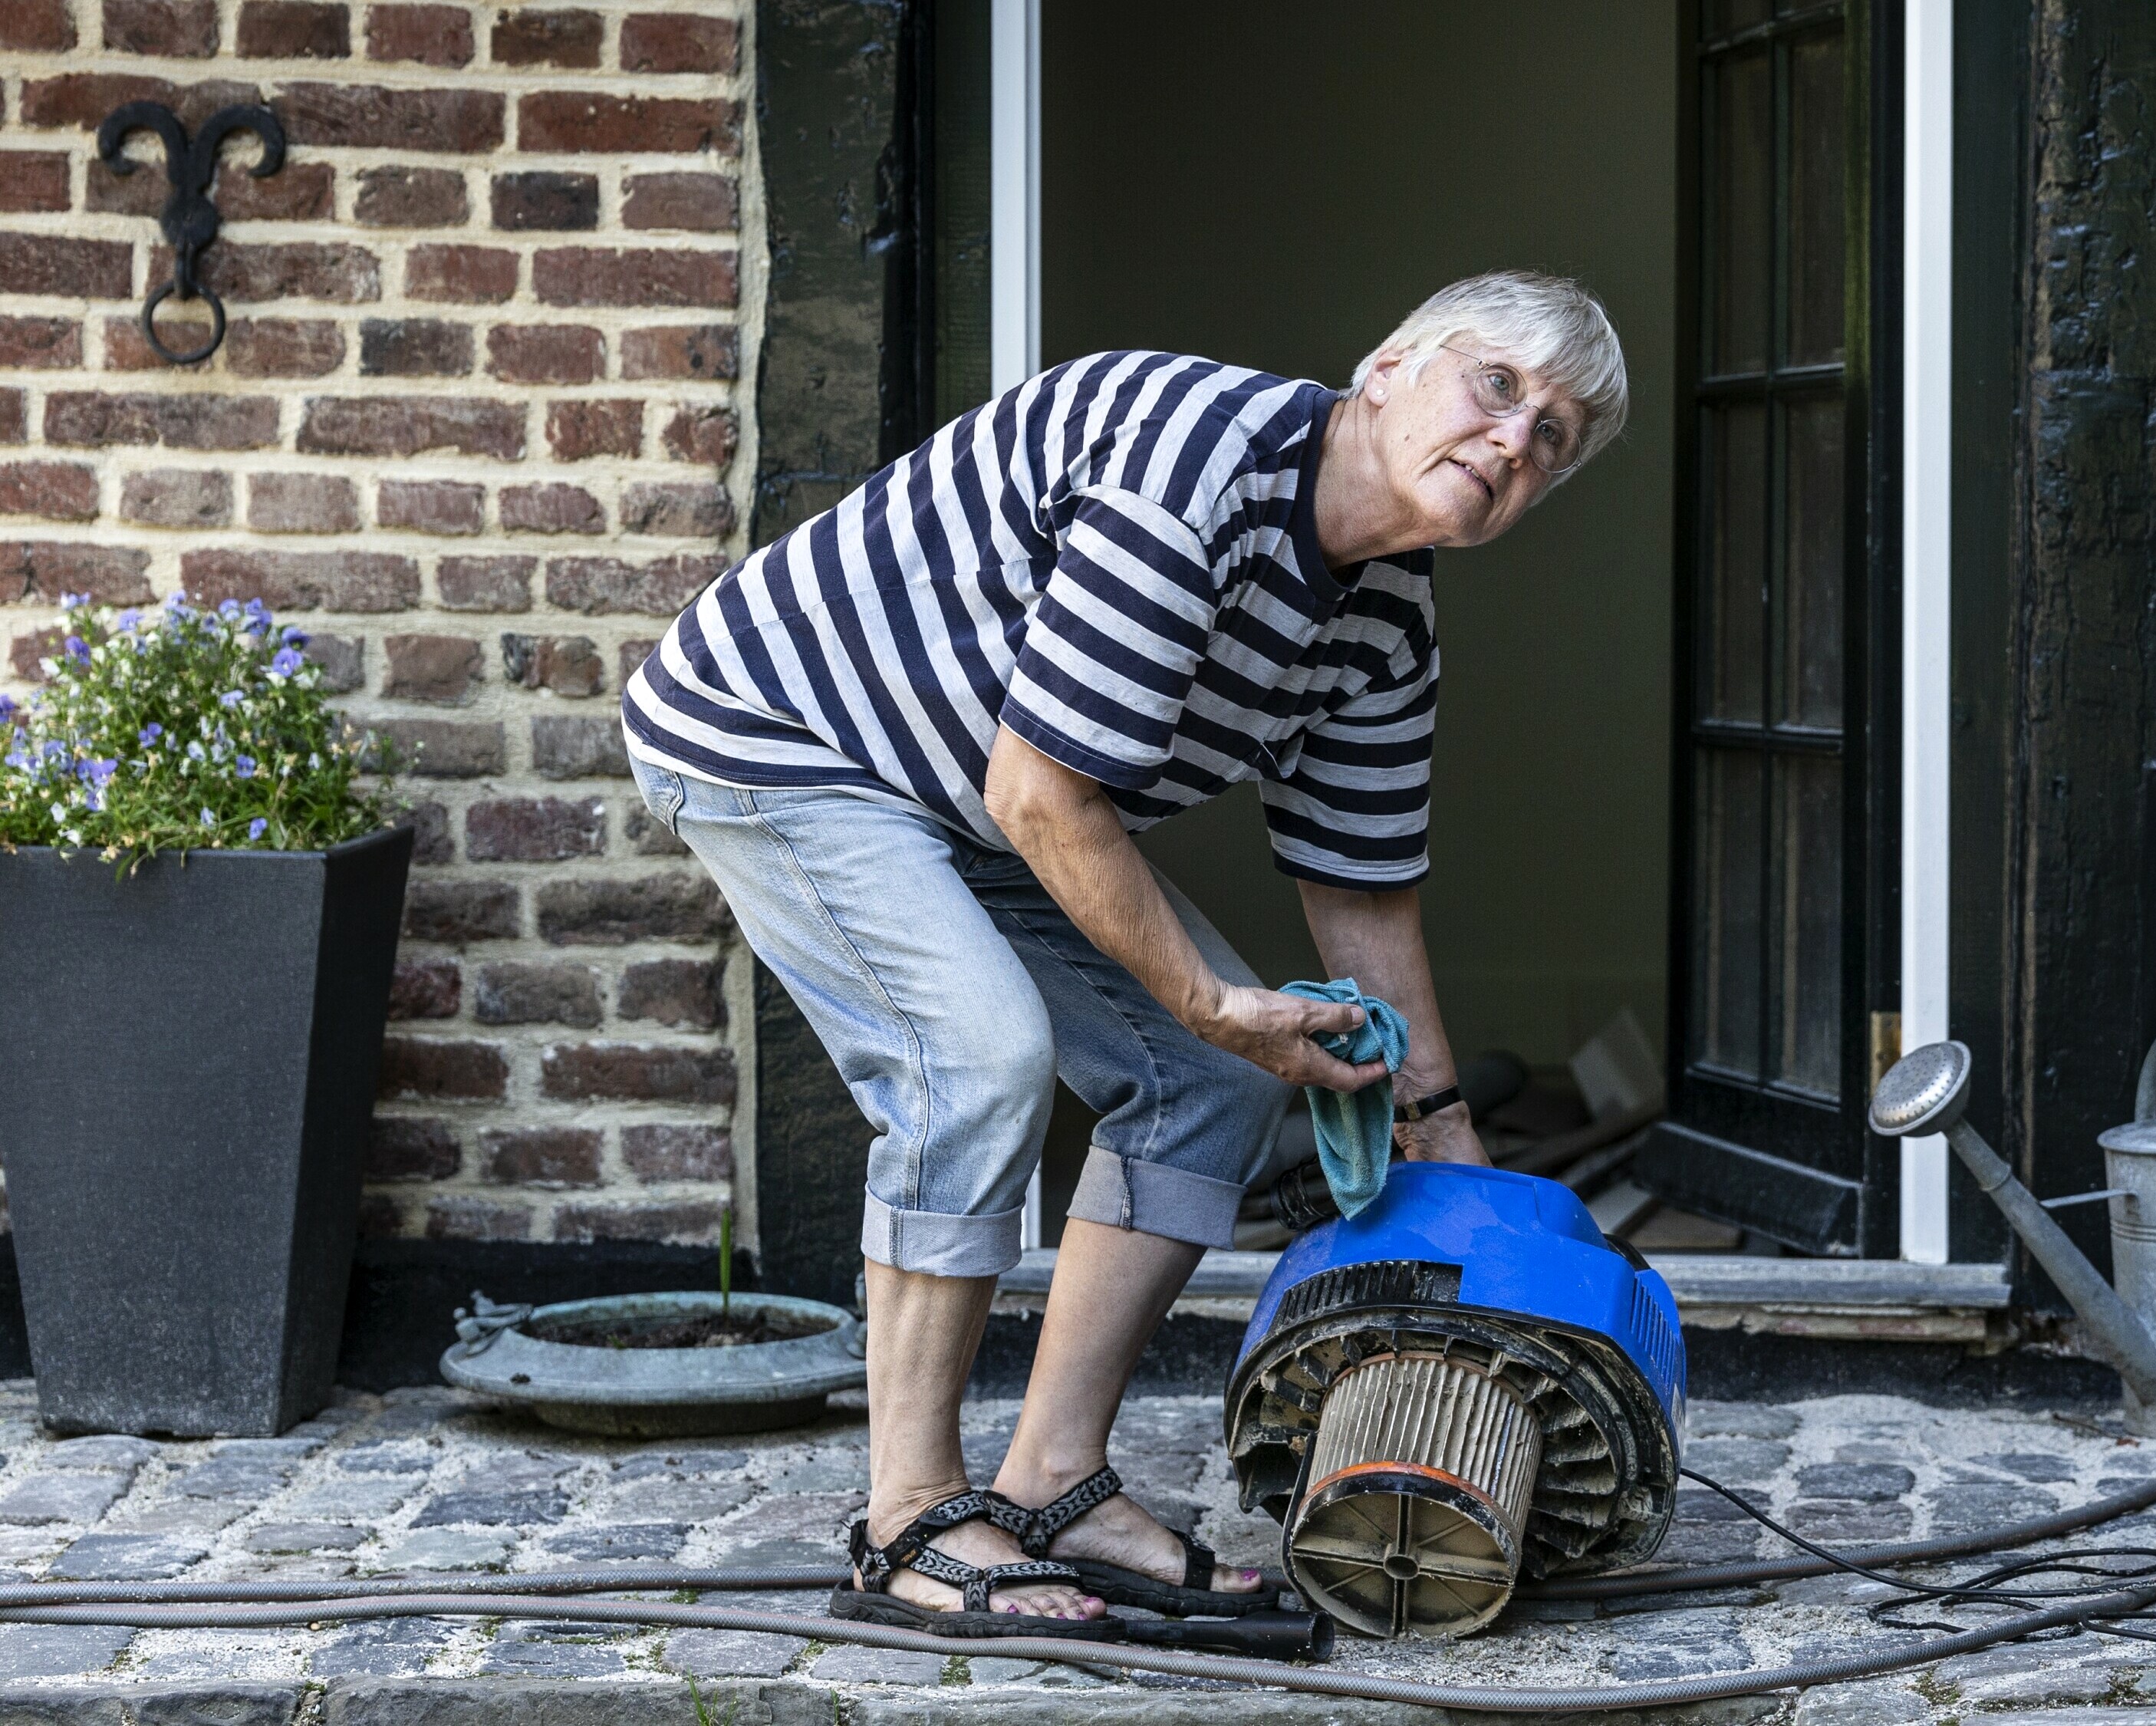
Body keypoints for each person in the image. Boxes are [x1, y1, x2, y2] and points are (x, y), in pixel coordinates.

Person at [620, 272, 1628, 1634]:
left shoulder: (1387, 623)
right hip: (787, 739)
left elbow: (1365, 899)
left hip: (982, 802)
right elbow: (1045, 793)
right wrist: (1215, 1000)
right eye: (1497, 387)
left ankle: (1054, 1482)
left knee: (1214, 1083)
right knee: (973, 1056)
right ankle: (908, 1512)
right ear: (1386, 365)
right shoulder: (1197, 465)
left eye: (1554, 438)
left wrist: (1450, 1159)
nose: (1517, 440)